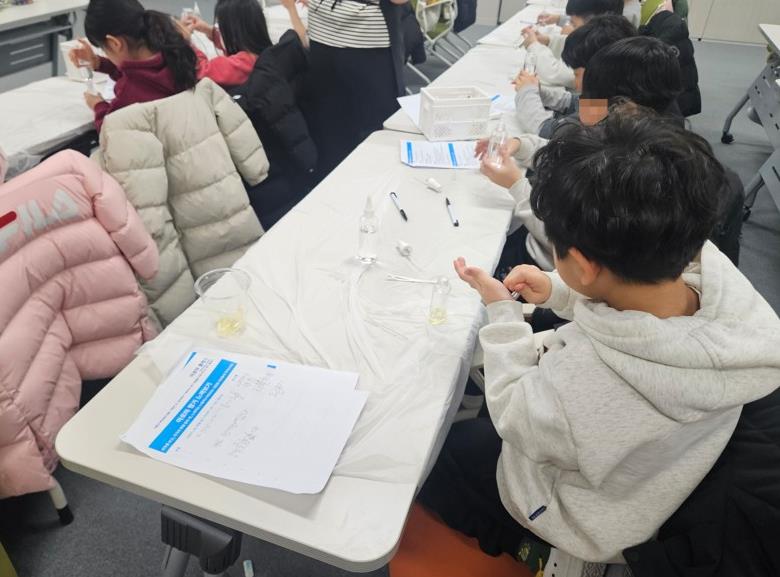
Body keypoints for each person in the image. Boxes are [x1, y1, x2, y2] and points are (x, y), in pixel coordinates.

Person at [418, 111, 780, 563]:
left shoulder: (589, 383)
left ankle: (534, 551)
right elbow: (634, 297)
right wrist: (559, 289)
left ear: (585, 265)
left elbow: (514, 413)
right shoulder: (715, 272)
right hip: (665, 466)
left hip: (585, 515)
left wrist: (503, 313)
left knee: (440, 456)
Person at [304, 0, 408, 178]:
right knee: (376, 134)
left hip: (325, 31)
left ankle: (334, 189)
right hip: (364, 39)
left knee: (331, 129)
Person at [69, 0, 197, 131]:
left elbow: (109, 129)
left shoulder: (129, 91)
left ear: (115, 44)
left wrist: (98, 105)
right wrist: (99, 63)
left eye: (104, 50)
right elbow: (141, 75)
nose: (106, 54)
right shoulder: (173, 55)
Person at [514, 14, 637, 136]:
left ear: (599, 73)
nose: (576, 86)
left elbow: (548, 131)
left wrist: (527, 93)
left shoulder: (609, 117)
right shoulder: (614, 97)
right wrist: (540, 93)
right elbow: (576, 103)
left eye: (576, 75)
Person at [182, 0, 307, 88]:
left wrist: (184, 40)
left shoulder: (242, 64)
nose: (220, 31)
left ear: (233, 33)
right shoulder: (261, 54)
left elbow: (201, 70)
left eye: (222, 28)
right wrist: (208, 30)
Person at [523, 0, 624, 89]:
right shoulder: (606, 37)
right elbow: (573, 101)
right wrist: (548, 41)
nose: (569, 27)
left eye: (574, 25)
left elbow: (557, 74)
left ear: (592, 25)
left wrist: (534, 45)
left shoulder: (599, 61)